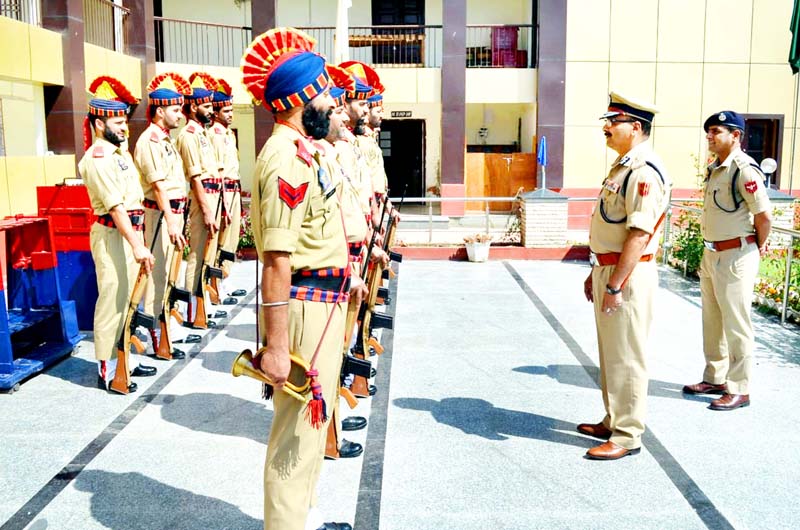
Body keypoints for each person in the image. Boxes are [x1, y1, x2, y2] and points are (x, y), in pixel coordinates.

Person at [241, 27, 352, 530]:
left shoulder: (303, 149)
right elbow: (277, 260)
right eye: (325, 93)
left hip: (322, 301)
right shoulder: (286, 157)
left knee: (314, 422)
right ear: (302, 100)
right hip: (304, 304)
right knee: (296, 430)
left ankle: (299, 518)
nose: (332, 102)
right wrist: (278, 346)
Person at [579, 92, 670, 460]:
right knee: (611, 352)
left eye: (612, 121)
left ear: (635, 127)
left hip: (628, 277)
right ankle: (614, 418)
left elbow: (638, 233)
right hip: (610, 269)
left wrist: (615, 283)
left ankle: (628, 435)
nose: (606, 127)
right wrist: (597, 272)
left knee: (628, 356)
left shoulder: (643, 171)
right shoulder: (623, 166)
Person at [682, 111, 772, 411]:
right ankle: (715, 377)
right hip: (712, 254)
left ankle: (739, 388)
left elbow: (763, 215)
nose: (709, 135)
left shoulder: (744, 169)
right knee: (712, 320)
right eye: (708, 130)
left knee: (736, 323)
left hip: (736, 254)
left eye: (716, 131)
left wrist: (756, 246)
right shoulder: (716, 168)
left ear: (736, 135)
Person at [78, 76, 156, 393]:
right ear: (99, 123)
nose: (124, 127)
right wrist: (138, 245)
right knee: (112, 299)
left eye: (125, 120)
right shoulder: (97, 159)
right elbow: (116, 208)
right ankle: (108, 369)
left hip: (128, 234)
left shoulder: (118, 153)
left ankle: (125, 359)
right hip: (112, 236)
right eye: (117, 121)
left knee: (127, 299)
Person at [133, 72, 191, 361]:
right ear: (159, 111)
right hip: (160, 215)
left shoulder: (166, 139)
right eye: (175, 109)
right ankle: (157, 336)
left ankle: (165, 331)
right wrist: (170, 220)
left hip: (174, 214)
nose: (180, 114)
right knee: (157, 276)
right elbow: (157, 186)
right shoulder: (150, 141)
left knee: (170, 274)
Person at [176, 72, 221, 327]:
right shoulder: (189, 136)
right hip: (202, 199)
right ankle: (194, 312)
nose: (210, 111)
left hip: (214, 197)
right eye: (205, 106)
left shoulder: (203, 134)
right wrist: (206, 211)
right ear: (193, 107)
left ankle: (202, 305)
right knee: (196, 255)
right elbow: (195, 178)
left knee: (208, 255)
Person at [208, 77, 247, 303]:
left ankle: (226, 279)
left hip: (234, 190)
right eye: (226, 110)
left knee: (231, 241)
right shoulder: (214, 134)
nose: (231, 114)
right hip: (224, 191)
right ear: (216, 112)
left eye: (232, 110)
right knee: (221, 241)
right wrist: (223, 203)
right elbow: (219, 171)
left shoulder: (229, 134)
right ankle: (216, 286)